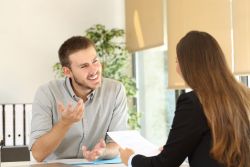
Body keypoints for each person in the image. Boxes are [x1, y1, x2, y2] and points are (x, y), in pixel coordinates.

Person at [120, 31, 250, 167]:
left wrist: (130, 158)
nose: (176, 68)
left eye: (177, 61)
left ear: (189, 65)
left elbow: (164, 164)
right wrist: (178, 149)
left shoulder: (193, 102)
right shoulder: (244, 95)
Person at [30, 36, 128, 162]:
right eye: (84, 66)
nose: (94, 70)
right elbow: (38, 154)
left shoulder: (115, 90)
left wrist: (101, 152)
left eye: (95, 61)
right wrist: (65, 123)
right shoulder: (47, 93)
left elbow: (116, 145)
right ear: (67, 72)